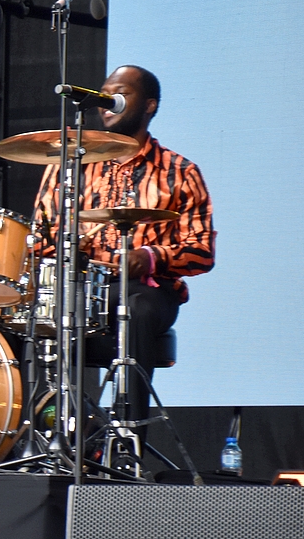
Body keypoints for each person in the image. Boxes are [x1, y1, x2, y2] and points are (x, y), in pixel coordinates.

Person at [32, 65, 215, 445]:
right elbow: (39, 238)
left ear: (150, 105)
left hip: (148, 291)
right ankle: (50, 435)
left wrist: (149, 257)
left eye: (121, 93)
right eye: (103, 93)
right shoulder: (70, 166)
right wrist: (70, 250)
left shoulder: (180, 172)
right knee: (26, 320)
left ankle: (127, 443)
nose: (107, 102)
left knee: (135, 309)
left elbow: (202, 250)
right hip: (80, 286)